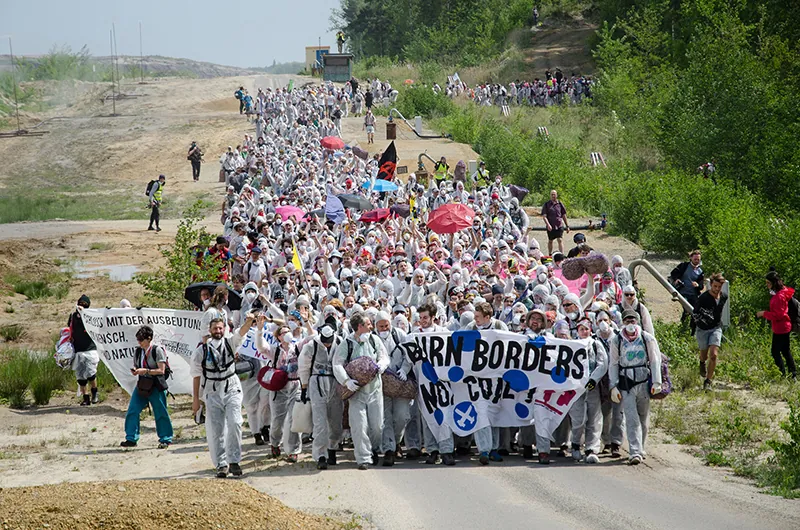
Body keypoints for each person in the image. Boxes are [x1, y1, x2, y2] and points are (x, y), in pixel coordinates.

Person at [191, 316, 251, 478]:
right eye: (215, 328)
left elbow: (241, 333)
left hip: (231, 387)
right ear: (210, 330)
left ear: (224, 329)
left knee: (235, 422)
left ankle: (234, 460)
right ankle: (221, 464)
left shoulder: (230, 343)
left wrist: (249, 321)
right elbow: (196, 376)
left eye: (220, 328)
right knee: (216, 429)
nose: (218, 331)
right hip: (212, 390)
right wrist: (196, 400)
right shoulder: (201, 351)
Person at [334, 313, 389, 470]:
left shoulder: (374, 339)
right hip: (357, 392)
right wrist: (346, 381)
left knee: (377, 426)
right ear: (359, 326)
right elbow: (337, 364)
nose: (371, 326)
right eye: (368, 324)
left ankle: (373, 448)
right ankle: (363, 458)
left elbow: (384, 356)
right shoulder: (347, 343)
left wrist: (381, 366)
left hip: (375, 390)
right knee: (359, 425)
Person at [608, 309, 663, 465]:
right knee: (631, 418)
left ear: (637, 322)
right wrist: (613, 386)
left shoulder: (647, 338)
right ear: (622, 323)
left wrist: (657, 382)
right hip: (626, 383)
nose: (630, 324)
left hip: (644, 382)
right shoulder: (616, 340)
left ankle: (641, 445)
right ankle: (635, 451)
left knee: (643, 418)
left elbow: (654, 360)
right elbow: (613, 363)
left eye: (633, 321)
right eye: (627, 321)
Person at [464, 302, 508, 464]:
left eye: (478, 317)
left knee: (493, 413)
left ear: (487, 317)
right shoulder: (471, 328)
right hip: (476, 379)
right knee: (480, 411)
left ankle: (493, 449)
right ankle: (483, 449)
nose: (475, 319)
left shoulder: (499, 326)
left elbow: (510, 345)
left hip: (496, 379)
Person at [298, 324, 344, 470]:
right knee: (320, 422)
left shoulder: (339, 342)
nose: (327, 343)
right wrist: (304, 388)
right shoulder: (311, 346)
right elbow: (304, 366)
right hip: (317, 383)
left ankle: (333, 447)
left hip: (336, 383)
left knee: (336, 421)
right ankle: (320, 455)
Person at [121, 325, 173, 449]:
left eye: (141, 339)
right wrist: (136, 370)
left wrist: (146, 371)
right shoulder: (138, 351)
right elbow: (136, 365)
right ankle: (131, 438)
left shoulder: (157, 350)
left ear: (149, 338)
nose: (139, 342)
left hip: (155, 385)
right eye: (138, 339)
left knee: (160, 412)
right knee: (132, 410)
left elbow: (161, 370)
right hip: (142, 384)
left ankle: (166, 438)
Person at [567, 318, 607, 463]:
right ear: (577, 331)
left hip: (592, 388)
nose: (584, 331)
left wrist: (592, 380)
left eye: (587, 329)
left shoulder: (596, 344)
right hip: (576, 388)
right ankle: (576, 444)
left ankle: (591, 448)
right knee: (578, 418)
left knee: (594, 418)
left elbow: (602, 363)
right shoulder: (572, 345)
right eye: (581, 329)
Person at [375, 312, 411, 467]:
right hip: (381, 383)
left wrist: (404, 369)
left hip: (400, 382)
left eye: (386, 325)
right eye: (381, 326)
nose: (384, 328)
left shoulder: (400, 335)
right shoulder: (372, 339)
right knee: (386, 418)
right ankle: (389, 449)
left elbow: (408, 355)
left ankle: (396, 441)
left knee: (402, 416)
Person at [757, 271, 797, 379]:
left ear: (773, 283)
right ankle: (792, 374)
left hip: (781, 327)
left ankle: (782, 373)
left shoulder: (779, 297)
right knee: (785, 350)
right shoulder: (782, 292)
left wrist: (763, 313)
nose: (767, 285)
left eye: (768, 283)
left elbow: (778, 315)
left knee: (775, 352)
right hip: (784, 326)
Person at [693, 273, 728, 390]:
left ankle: (708, 380)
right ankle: (702, 362)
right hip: (702, 329)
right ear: (711, 285)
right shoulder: (703, 298)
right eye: (715, 286)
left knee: (713, 354)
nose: (717, 289)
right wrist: (704, 318)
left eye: (719, 287)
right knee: (704, 353)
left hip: (716, 327)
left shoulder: (723, 297)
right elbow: (695, 313)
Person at [69, 294, 99, 406]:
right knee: (81, 377)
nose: (81, 306)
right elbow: (70, 328)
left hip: (90, 350)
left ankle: (95, 393)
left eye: (84, 304)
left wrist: (84, 314)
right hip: (78, 350)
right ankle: (85, 397)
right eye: (80, 303)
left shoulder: (91, 316)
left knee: (91, 374)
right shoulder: (72, 317)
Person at [670, 250, 704, 322]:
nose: (697, 261)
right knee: (686, 309)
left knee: (695, 310)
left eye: (698, 259)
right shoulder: (684, 266)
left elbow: (701, 286)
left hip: (693, 294)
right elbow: (673, 273)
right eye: (695, 259)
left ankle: (690, 328)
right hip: (682, 292)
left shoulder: (700, 271)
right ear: (691, 258)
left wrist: (697, 285)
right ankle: (683, 325)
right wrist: (677, 279)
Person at [541, 189, 569, 255]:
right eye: (552, 194)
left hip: (559, 225)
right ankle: (550, 254)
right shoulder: (546, 204)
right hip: (551, 225)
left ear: (556, 195)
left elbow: (564, 215)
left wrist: (567, 226)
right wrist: (548, 225)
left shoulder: (560, 204)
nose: (553, 196)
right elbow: (544, 216)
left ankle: (561, 254)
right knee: (550, 240)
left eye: (554, 194)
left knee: (560, 240)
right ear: (550, 196)